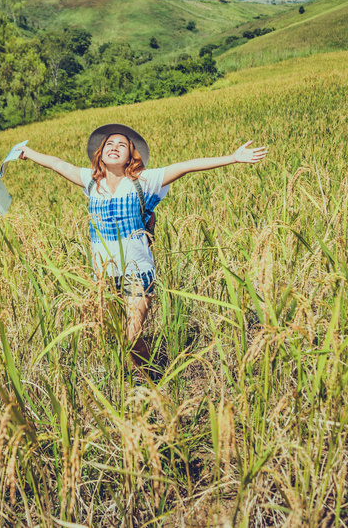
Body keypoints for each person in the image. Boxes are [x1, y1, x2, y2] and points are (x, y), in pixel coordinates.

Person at [19, 123, 267, 372]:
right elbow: (57, 163)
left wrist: (233, 158)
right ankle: (145, 373)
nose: (114, 148)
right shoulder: (91, 182)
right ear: (101, 153)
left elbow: (188, 165)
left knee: (131, 335)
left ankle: (151, 376)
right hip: (102, 276)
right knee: (113, 337)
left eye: (122, 145)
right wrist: (27, 152)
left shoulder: (145, 180)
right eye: (109, 144)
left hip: (137, 272)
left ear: (130, 156)